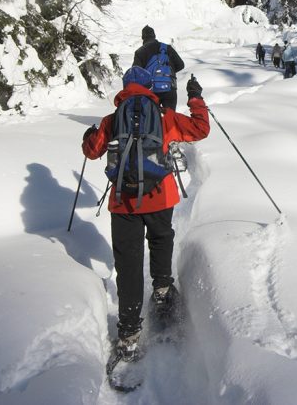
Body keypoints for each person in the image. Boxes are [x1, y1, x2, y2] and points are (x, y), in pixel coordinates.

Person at [81, 68, 210, 362]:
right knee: (161, 241)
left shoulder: (112, 120)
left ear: (125, 89)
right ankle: (163, 292)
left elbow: (91, 151)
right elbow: (201, 129)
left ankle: (128, 336)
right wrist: (195, 97)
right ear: (151, 88)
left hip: (123, 203)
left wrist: (90, 135)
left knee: (128, 264)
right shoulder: (165, 117)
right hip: (160, 197)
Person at [133, 25, 185, 110]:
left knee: (151, 119)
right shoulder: (167, 48)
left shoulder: (140, 52)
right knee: (170, 119)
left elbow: (136, 72)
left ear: (143, 37)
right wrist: (166, 73)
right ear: (154, 36)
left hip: (150, 91)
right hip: (169, 89)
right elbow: (181, 65)